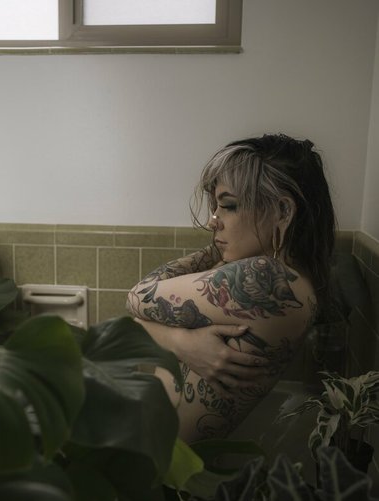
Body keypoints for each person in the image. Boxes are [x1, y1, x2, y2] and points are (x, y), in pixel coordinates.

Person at [127, 134, 336, 443]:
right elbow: (135, 321)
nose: (213, 221)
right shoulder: (287, 278)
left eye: (228, 205)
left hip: (163, 461)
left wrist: (175, 340)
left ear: (282, 212)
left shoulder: (266, 277)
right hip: (161, 451)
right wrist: (183, 342)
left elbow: (137, 296)